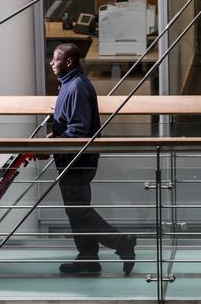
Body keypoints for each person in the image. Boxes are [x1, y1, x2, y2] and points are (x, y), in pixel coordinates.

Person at [47, 43, 136, 275]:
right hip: (74, 160)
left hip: (77, 161)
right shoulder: (70, 84)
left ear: (68, 62)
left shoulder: (75, 87)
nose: (51, 63)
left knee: (78, 211)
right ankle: (88, 257)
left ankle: (121, 242)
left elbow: (79, 131)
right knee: (78, 209)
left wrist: (53, 143)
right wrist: (55, 135)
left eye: (55, 60)